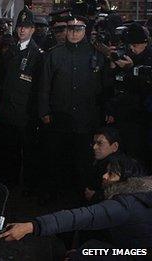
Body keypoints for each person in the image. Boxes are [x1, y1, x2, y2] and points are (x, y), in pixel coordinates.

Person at [0, 155, 152, 256]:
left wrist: (30, 227)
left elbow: (80, 217)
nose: (104, 176)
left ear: (125, 181)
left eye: (111, 174)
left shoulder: (124, 205)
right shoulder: (139, 196)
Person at [38, 15, 108, 202]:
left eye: (78, 29)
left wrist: (103, 115)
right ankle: (56, 196)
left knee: (82, 161)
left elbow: (104, 88)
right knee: (57, 159)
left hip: (85, 120)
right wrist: (43, 111)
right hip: (59, 118)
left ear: (85, 31)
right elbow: (44, 85)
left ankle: (79, 196)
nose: (74, 33)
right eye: (70, 29)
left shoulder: (96, 54)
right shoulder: (54, 54)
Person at [0, 7, 44, 188]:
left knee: (25, 153)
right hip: (6, 112)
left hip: (24, 114)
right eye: (20, 26)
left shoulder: (37, 55)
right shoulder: (10, 50)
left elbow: (38, 88)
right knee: (7, 151)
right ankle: (7, 183)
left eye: (27, 26)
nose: (22, 29)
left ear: (32, 30)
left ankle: (24, 188)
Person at [106, 23, 152, 167]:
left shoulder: (148, 60)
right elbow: (112, 85)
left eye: (135, 45)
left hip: (142, 120)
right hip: (121, 117)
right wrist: (113, 68)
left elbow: (145, 88)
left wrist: (131, 70)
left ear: (145, 42)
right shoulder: (125, 56)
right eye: (129, 45)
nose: (132, 48)